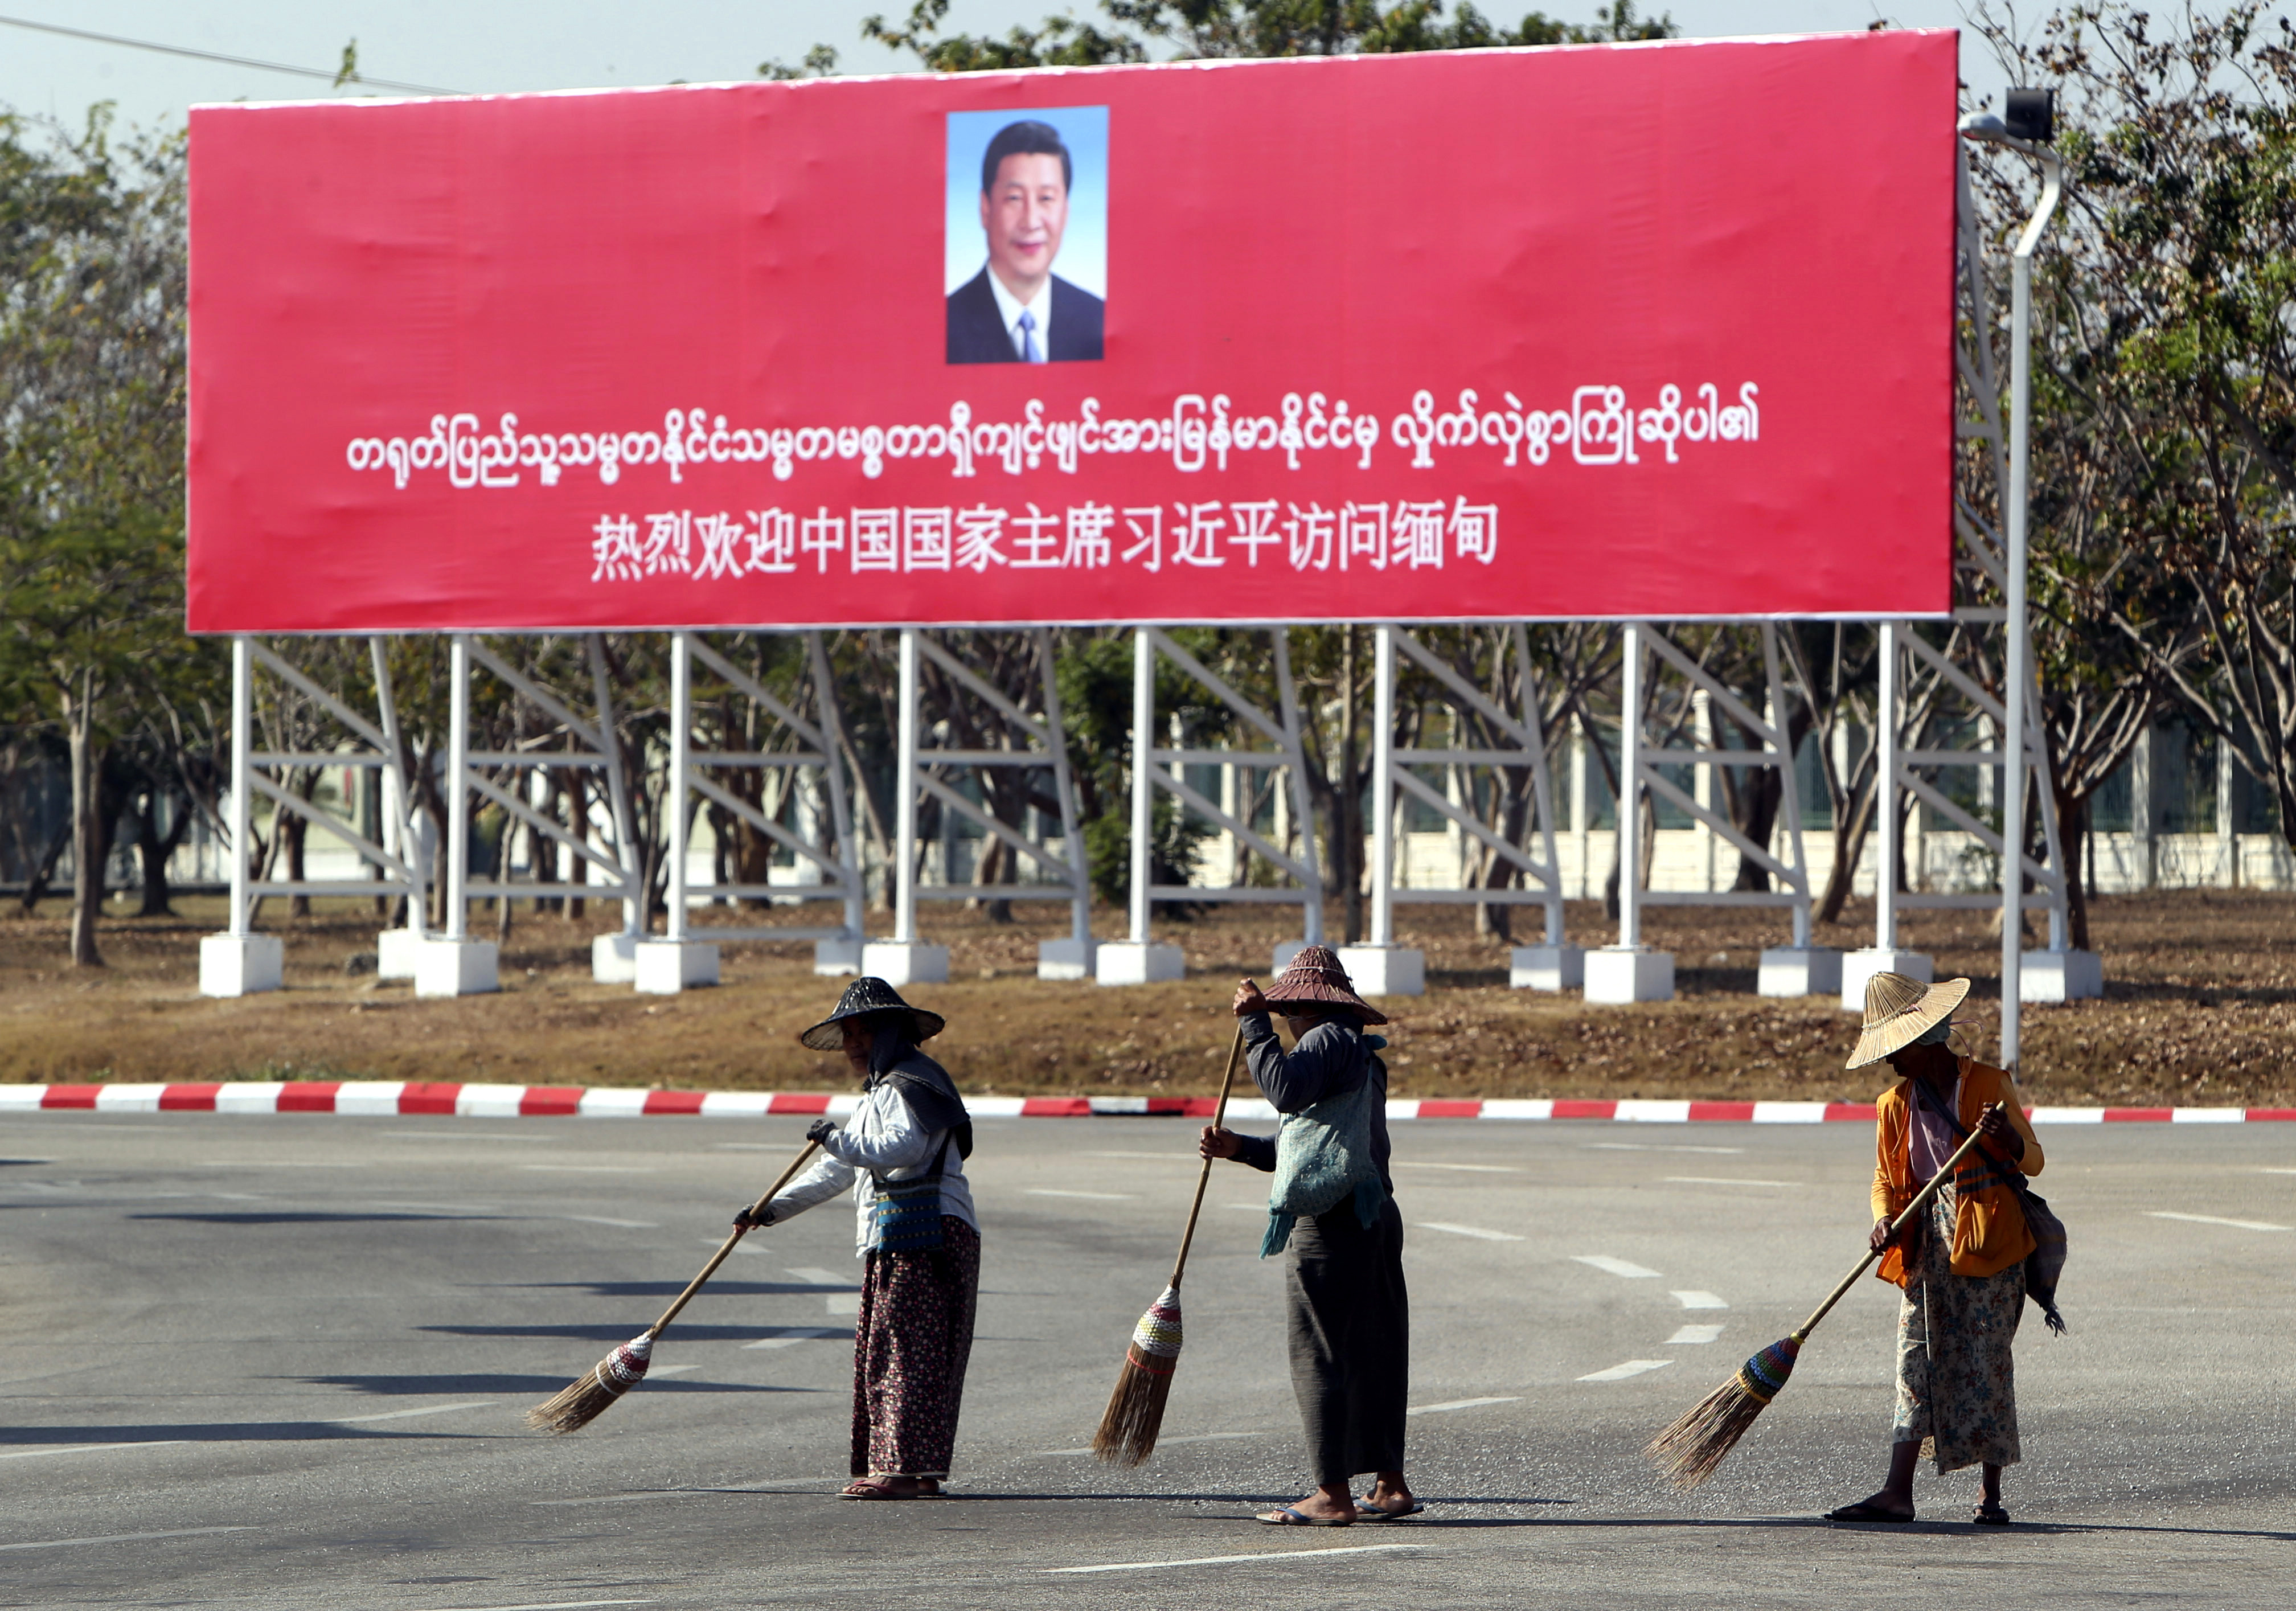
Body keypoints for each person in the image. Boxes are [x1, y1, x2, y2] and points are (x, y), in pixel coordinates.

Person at [732, 977, 977, 1501]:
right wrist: (770, 1209)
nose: (852, 1046)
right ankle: (915, 1469)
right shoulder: (883, 1091)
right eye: (848, 1034)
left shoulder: (909, 1083)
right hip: (909, 1234)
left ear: (889, 1032)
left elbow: (902, 1147)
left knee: (903, 1352)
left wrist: (837, 1137)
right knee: (906, 1351)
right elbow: (839, 1170)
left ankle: (901, 1470)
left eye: (862, 1032)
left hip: (922, 1233)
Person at [1199, 946, 1420, 1526]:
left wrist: (1252, 1024)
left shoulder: (1323, 1042)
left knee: (1319, 1352)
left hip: (1334, 1223)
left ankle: (1332, 1494)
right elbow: (1314, 1150)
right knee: (1374, 1350)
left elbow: (1284, 1092)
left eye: (1285, 1012)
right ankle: (1389, 1484)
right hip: (1374, 1212)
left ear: (1300, 1006)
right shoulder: (1362, 1052)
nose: (1285, 1022)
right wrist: (1241, 1149)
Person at [1825, 971, 2044, 1527]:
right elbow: (1884, 1179)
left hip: (1989, 1243)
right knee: (1914, 1362)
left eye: (1898, 1052)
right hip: (1925, 1244)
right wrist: (1883, 1221)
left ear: (1926, 1043)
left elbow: (2034, 1159)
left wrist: (2004, 1138)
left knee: (1985, 1363)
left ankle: (1989, 1496)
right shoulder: (1893, 1105)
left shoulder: (1989, 1085)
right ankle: (1898, 1492)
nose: (1892, 1064)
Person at [946, 118, 1105, 363]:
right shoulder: (944, 326)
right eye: (1014, 198)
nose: (1031, 221)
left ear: (1066, 212)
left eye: (1046, 198)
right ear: (985, 208)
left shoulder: (1098, 319)